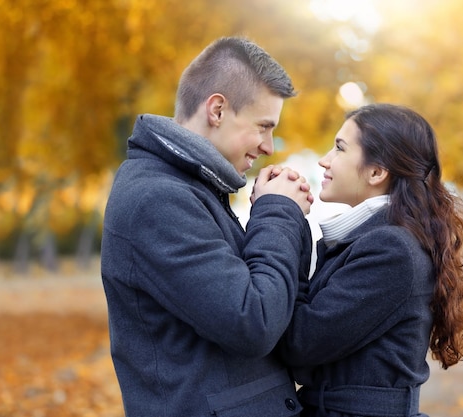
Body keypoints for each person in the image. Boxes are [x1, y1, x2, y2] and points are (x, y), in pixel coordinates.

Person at [101, 36, 314, 417]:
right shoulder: (158, 199)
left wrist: (284, 217)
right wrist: (277, 210)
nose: (269, 146)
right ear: (217, 110)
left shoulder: (191, 188)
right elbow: (254, 321)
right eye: (263, 126)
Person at [277, 103, 463, 417]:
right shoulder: (379, 239)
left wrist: (288, 226)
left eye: (340, 149)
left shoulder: (389, 249)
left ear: (377, 172)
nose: (324, 160)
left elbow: (299, 345)